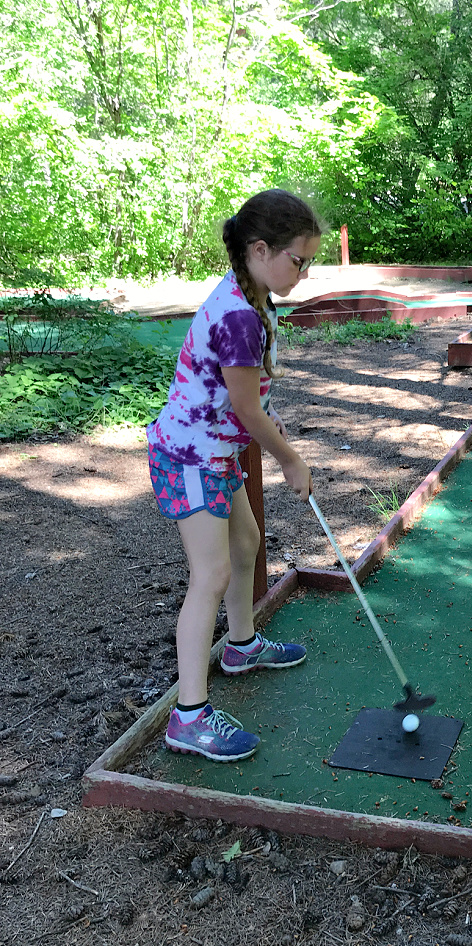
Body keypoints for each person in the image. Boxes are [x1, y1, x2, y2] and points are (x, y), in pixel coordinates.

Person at [147, 189, 324, 762]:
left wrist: (278, 445)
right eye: (298, 260)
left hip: (216, 455)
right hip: (188, 457)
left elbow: (248, 401)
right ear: (259, 249)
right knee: (213, 574)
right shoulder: (237, 316)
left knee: (246, 543)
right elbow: (249, 410)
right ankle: (189, 717)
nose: (302, 271)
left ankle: (241, 646)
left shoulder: (255, 299)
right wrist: (291, 458)